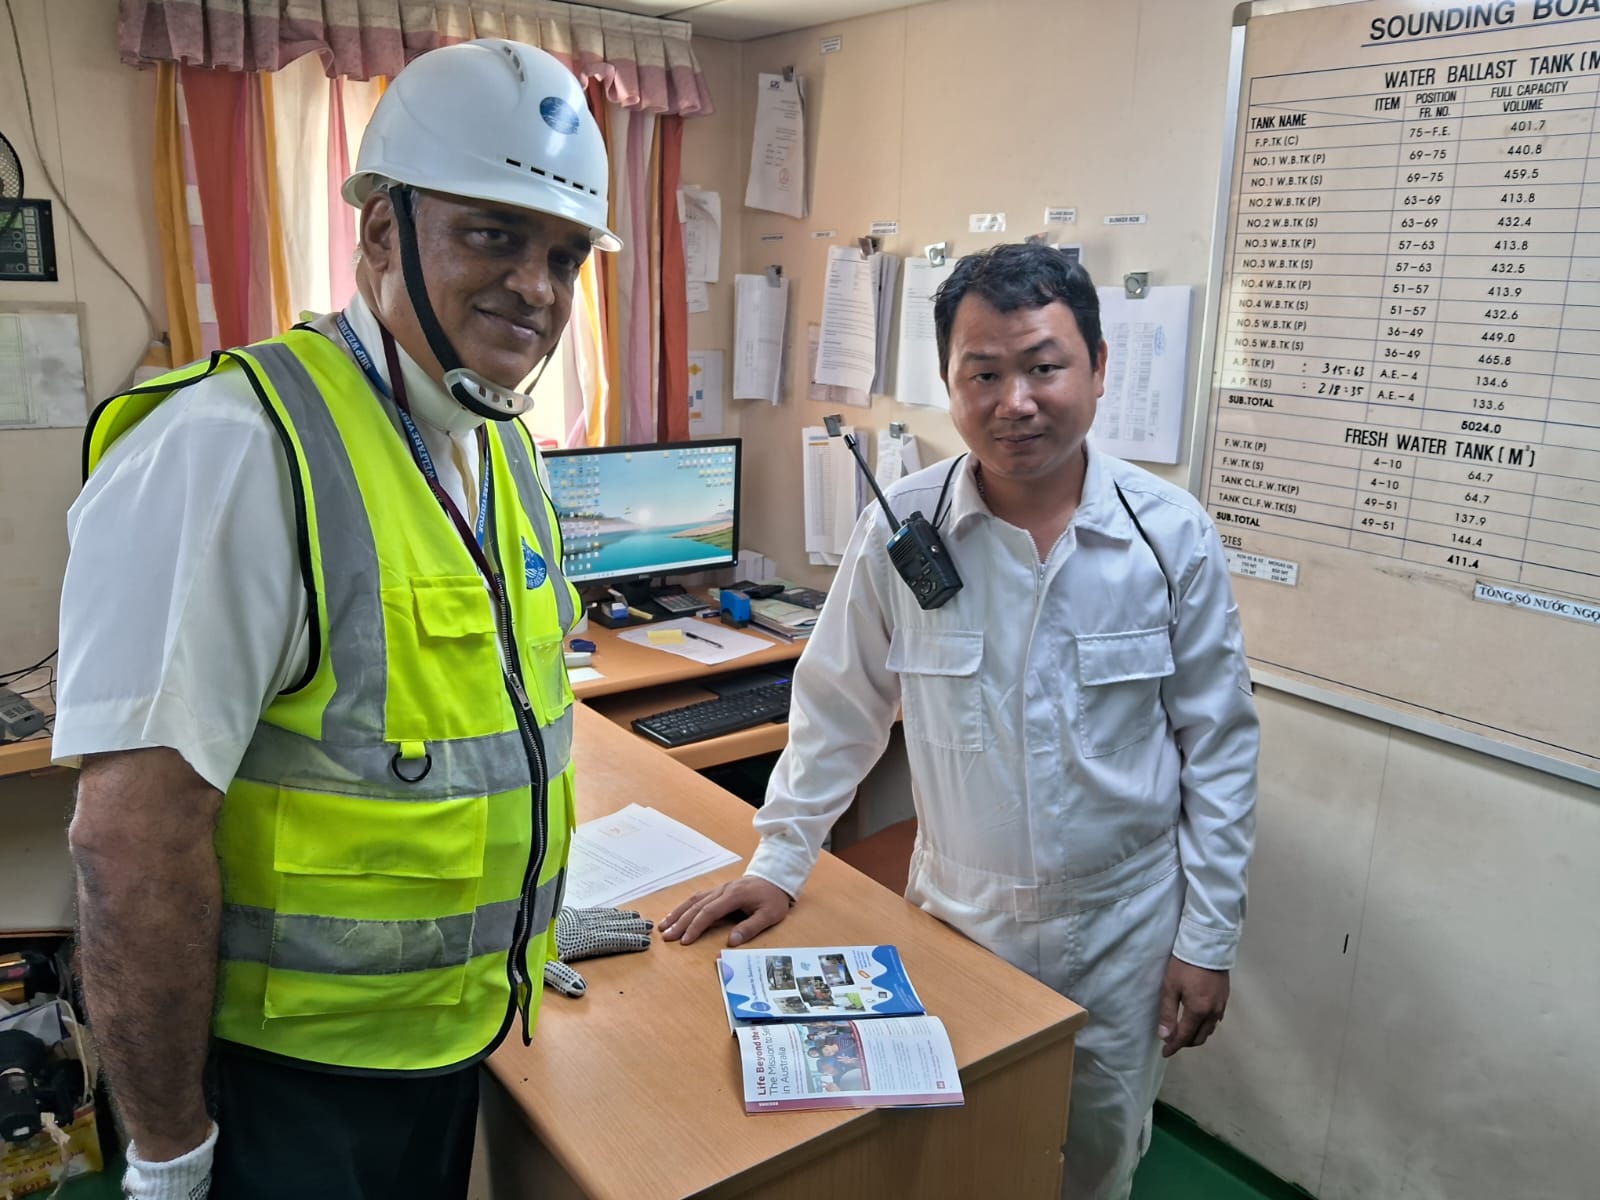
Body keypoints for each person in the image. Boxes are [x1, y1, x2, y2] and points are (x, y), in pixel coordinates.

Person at [56, 39, 648, 1200]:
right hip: (285, 1086)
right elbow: (129, 846)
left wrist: (524, 924)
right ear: (382, 232)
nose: (536, 286)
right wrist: (171, 1152)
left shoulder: (501, 448)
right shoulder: (235, 447)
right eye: (493, 234)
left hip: (448, 1039)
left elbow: (470, 745)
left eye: (564, 255)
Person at [662, 243, 1259, 1200]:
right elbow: (838, 706)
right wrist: (780, 860)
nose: (1014, 401)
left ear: (1098, 369)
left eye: (1043, 366)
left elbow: (1220, 749)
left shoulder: (1168, 533)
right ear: (950, 382)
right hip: (959, 918)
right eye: (982, 373)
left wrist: (1208, 938)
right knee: (953, 1157)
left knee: (1095, 1157)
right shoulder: (902, 527)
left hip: (1125, 927)